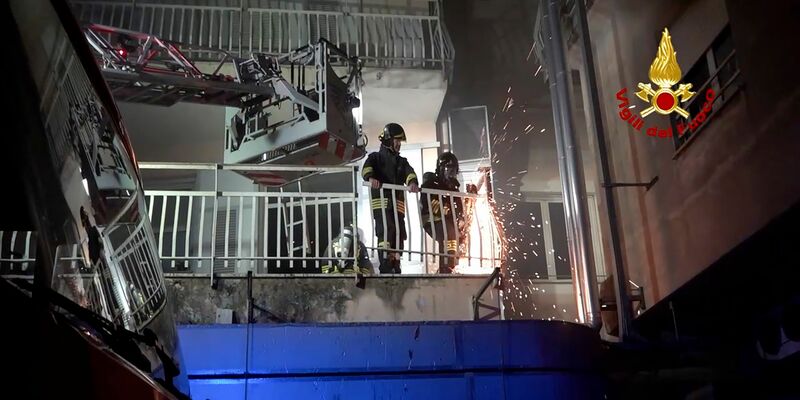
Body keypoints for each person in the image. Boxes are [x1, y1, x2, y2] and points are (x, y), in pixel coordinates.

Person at [362, 123, 419, 274]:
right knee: (386, 230)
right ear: (388, 140)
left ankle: (396, 262)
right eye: (397, 141)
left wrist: (412, 182)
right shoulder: (375, 158)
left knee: (399, 233)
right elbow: (366, 169)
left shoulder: (402, 162)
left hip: (398, 204)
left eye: (400, 142)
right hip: (382, 202)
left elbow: (410, 173)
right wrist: (371, 178)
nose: (399, 144)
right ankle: (385, 263)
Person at [420, 152, 475, 273]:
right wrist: (449, 211)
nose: (451, 174)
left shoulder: (453, 188)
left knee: (454, 234)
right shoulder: (431, 184)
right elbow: (430, 204)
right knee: (447, 232)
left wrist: (465, 208)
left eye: (453, 171)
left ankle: (451, 264)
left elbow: (458, 208)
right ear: (441, 169)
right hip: (432, 219)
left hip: (447, 221)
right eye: (448, 170)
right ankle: (445, 266)